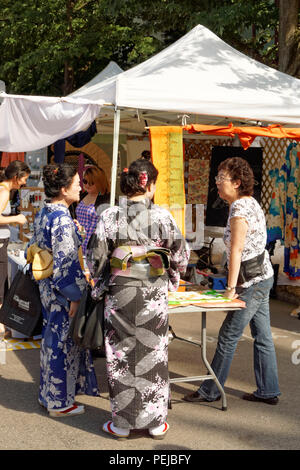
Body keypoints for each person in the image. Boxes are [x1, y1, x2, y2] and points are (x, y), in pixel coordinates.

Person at [86, 158, 190, 440]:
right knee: (154, 352)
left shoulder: (109, 216)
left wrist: (100, 282)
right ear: (151, 185)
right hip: (152, 294)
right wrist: (173, 277)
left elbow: (95, 257)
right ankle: (155, 424)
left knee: (120, 353)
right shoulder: (162, 217)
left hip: (121, 293)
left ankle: (122, 424)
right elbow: (180, 255)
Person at [184, 157, 280, 406]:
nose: (217, 183)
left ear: (237, 183)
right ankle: (268, 390)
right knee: (263, 336)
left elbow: (236, 250)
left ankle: (210, 390)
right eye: (217, 177)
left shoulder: (239, 208)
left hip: (251, 282)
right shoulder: (250, 203)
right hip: (262, 277)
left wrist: (230, 288)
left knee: (228, 336)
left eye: (221, 178)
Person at [26, 164, 99, 417]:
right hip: (62, 293)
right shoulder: (62, 220)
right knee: (62, 346)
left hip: (47, 288)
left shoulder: (45, 212)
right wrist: (75, 297)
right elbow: (66, 264)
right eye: (77, 182)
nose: (80, 186)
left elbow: (33, 246)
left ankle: (48, 395)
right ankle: (59, 403)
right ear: (65, 189)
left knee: (50, 343)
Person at [0, 161, 30, 336]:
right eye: (24, 179)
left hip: (3, 241)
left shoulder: (5, 190)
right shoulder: (4, 191)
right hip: (1, 242)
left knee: (3, 281)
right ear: (15, 177)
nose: (25, 183)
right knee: (2, 282)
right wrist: (16, 218)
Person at [75, 165, 110, 255]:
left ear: (99, 182)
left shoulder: (107, 200)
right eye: (85, 181)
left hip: (94, 245)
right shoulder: (81, 195)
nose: (87, 185)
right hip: (78, 242)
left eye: (91, 183)